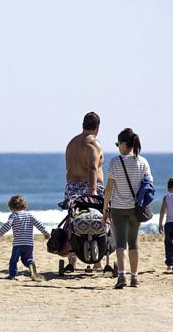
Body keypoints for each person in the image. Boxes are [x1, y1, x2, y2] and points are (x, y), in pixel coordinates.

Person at [102, 128, 152, 289]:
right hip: (136, 209)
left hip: (118, 208)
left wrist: (105, 208)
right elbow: (149, 186)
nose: (118, 147)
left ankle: (122, 276)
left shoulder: (115, 162)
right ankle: (135, 277)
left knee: (120, 244)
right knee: (133, 243)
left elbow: (109, 188)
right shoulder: (143, 162)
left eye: (118, 144)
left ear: (124, 144)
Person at [63, 111, 104, 272]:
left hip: (72, 186)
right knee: (99, 220)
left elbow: (68, 167)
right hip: (89, 187)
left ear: (82, 125)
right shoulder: (93, 144)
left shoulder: (71, 143)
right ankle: (98, 261)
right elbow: (93, 168)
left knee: (73, 220)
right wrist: (93, 190)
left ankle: (72, 260)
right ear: (97, 128)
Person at [0, 195, 50, 281]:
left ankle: (12, 275)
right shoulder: (30, 215)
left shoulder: (13, 215)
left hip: (18, 243)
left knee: (13, 260)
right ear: (24, 205)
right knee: (27, 259)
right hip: (29, 244)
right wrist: (45, 233)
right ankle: (31, 264)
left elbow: (7, 225)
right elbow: (39, 224)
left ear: (11, 206)